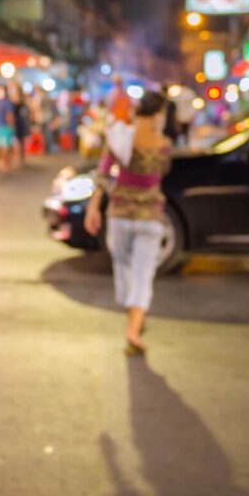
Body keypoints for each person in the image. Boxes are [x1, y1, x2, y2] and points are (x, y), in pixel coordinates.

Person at [84, 90, 173, 356]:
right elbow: (163, 172)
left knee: (123, 268)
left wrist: (93, 206)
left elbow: (103, 174)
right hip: (151, 218)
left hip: (120, 215)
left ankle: (132, 317)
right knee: (143, 274)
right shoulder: (164, 144)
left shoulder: (121, 138)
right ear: (158, 115)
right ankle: (134, 327)